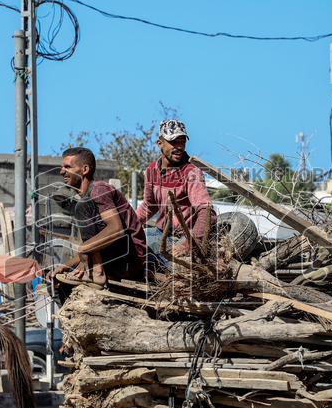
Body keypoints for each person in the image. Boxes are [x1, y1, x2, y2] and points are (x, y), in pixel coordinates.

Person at [55, 146, 147, 284]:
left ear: (85, 170)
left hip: (132, 260)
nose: (62, 171)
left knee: (82, 206)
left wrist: (83, 249)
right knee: (61, 279)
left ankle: (97, 272)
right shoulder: (88, 198)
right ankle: (95, 271)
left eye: (67, 167)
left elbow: (116, 229)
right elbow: (93, 247)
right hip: (118, 259)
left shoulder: (98, 189)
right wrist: (65, 265)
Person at [136, 119, 216, 255]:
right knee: (131, 243)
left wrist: (189, 244)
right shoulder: (152, 170)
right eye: (174, 142)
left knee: (154, 255)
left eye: (182, 142)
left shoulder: (191, 172)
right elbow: (149, 206)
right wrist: (128, 224)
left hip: (185, 236)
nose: (179, 147)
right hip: (161, 232)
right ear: (160, 143)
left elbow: (207, 212)